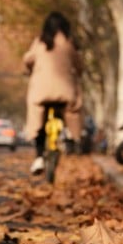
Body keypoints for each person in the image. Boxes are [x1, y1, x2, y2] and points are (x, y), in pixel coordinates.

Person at [23, 11, 83, 175]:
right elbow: (79, 65)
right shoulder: (69, 43)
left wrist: (30, 69)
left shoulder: (40, 42)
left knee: (38, 122)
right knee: (72, 109)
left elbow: (28, 59)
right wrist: (77, 72)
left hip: (41, 92)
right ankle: (69, 134)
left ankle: (39, 157)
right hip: (65, 92)